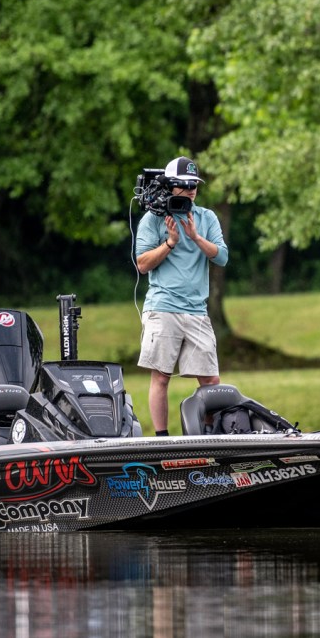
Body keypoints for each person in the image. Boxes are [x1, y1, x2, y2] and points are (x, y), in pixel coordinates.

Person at [135, 156, 228, 436]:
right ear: (169, 186)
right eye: (183, 185)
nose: (189, 190)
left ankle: (210, 436)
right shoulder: (153, 219)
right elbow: (142, 264)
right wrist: (170, 243)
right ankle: (162, 438)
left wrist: (196, 237)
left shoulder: (207, 217)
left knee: (211, 380)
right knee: (161, 377)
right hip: (163, 306)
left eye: (194, 185)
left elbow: (222, 257)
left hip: (197, 309)